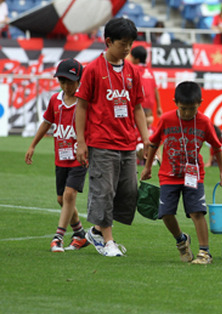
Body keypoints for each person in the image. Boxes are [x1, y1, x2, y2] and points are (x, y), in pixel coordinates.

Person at [75, 17, 151, 257]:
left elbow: (137, 107)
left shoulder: (133, 72)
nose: (127, 48)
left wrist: (146, 139)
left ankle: (96, 231)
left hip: (127, 143)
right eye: (123, 43)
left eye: (130, 43)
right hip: (101, 142)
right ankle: (108, 241)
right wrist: (81, 141)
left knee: (128, 191)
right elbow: (82, 106)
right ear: (108, 42)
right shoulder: (92, 70)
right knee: (104, 191)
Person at [140, 81, 222, 265]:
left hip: (194, 175)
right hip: (168, 175)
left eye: (192, 109)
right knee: (165, 213)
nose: (187, 113)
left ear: (200, 103)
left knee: (197, 212)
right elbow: (154, 143)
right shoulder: (166, 119)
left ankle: (204, 253)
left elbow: (217, 147)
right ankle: (181, 240)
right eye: (183, 108)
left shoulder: (204, 122)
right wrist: (148, 167)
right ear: (175, 102)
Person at [25, 58, 89, 252]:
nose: (66, 86)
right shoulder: (55, 100)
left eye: (70, 81)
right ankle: (79, 234)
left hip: (79, 157)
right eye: (62, 81)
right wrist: (33, 144)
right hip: (61, 157)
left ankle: (58, 237)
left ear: (79, 80)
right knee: (62, 199)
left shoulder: (84, 102)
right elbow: (46, 122)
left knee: (70, 195)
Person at [127, 45, 163, 117]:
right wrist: (159, 106)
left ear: (137, 59)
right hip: (150, 105)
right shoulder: (150, 71)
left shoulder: (133, 70)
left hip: (138, 105)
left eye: (131, 57)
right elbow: (155, 89)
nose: (130, 58)